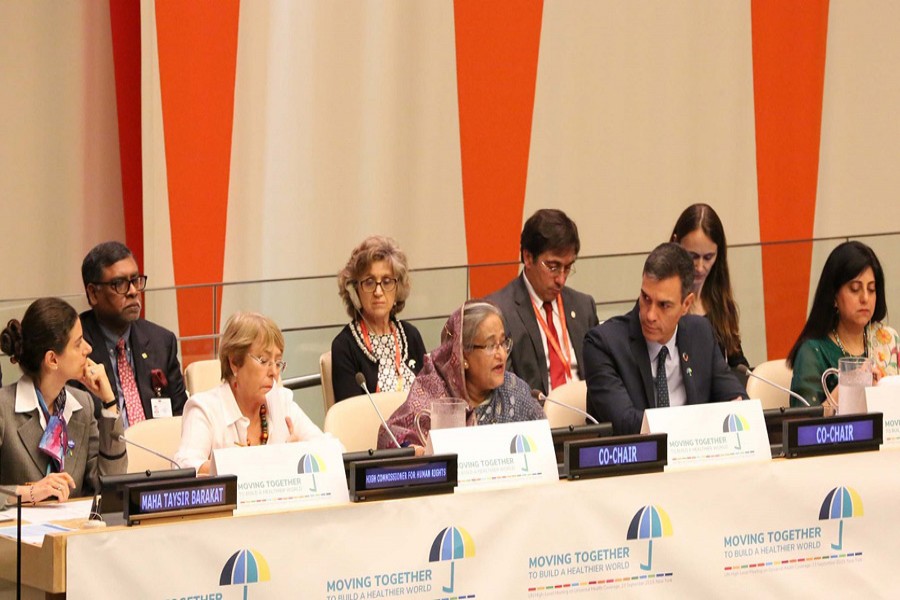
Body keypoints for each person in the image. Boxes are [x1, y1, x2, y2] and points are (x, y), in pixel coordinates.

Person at [583, 243, 747, 435]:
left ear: (686, 304)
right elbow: (626, 423)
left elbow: (736, 402)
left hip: (697, 459)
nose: (650, 315)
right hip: (638, 461)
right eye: (645, 298)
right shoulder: (603, 344)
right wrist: (697, 426)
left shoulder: (700, 333)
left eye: (664, 305)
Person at [0, 298, 126, 502]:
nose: (88, 349)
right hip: (17, 531)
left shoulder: (82, 404)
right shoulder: (4, 408)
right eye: (78, 344)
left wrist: (109, 404)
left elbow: (110, 484)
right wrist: (28, 493)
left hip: (71, 530)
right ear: (52, 360)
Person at [175, 312, 331, 474]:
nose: (274, 373)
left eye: (278, 363)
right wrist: (250, 464)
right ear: (235, 362)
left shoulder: (283, 402)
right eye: (263, 361)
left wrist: (300, 452)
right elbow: (185, 465)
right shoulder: (205, 409)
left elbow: (332, 449)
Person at [378, 301, 546, 449]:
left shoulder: (514, 390)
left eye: (503, 343)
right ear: (462, 355)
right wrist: (413, 452)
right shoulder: (433, 392)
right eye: (490, 345)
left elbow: (547, 447)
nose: (501, 354)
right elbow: (390, 438)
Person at [487, 209, 599, 395]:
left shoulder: (583, 305)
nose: (561, 279)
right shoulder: (499, 312)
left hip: (589, 416)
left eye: (568, 267)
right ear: (528, 257)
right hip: (535, 417)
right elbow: (503, 392)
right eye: (553, 267)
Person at [80, 241, 187, 424]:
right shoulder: (76, 348)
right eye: (119, 284)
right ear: (93, 293)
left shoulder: (161, 342)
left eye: (135, 281)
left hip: (158, 448)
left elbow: (182, 417)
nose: (133, 292)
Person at [787, 241, 900, 408]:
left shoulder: (887, 340)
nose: (865, 299)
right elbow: (802, 423)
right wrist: (849, 387)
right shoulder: (813, 351)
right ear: (833, 296)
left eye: (871, 289)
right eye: (855, 289)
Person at [332, 235, 426, 402]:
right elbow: (350, 417)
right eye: (369, 282)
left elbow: (429, 395)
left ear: (398, 287)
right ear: (355, 291)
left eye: (387, 281)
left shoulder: (411, 336)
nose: (378, 291)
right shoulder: (344, 346)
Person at [670, 203, 749, 378]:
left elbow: (737, 363)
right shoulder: (662, 303)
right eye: (692, 256)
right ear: (675, 243)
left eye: (708, 257)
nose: (700, 267)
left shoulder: (720, 301)